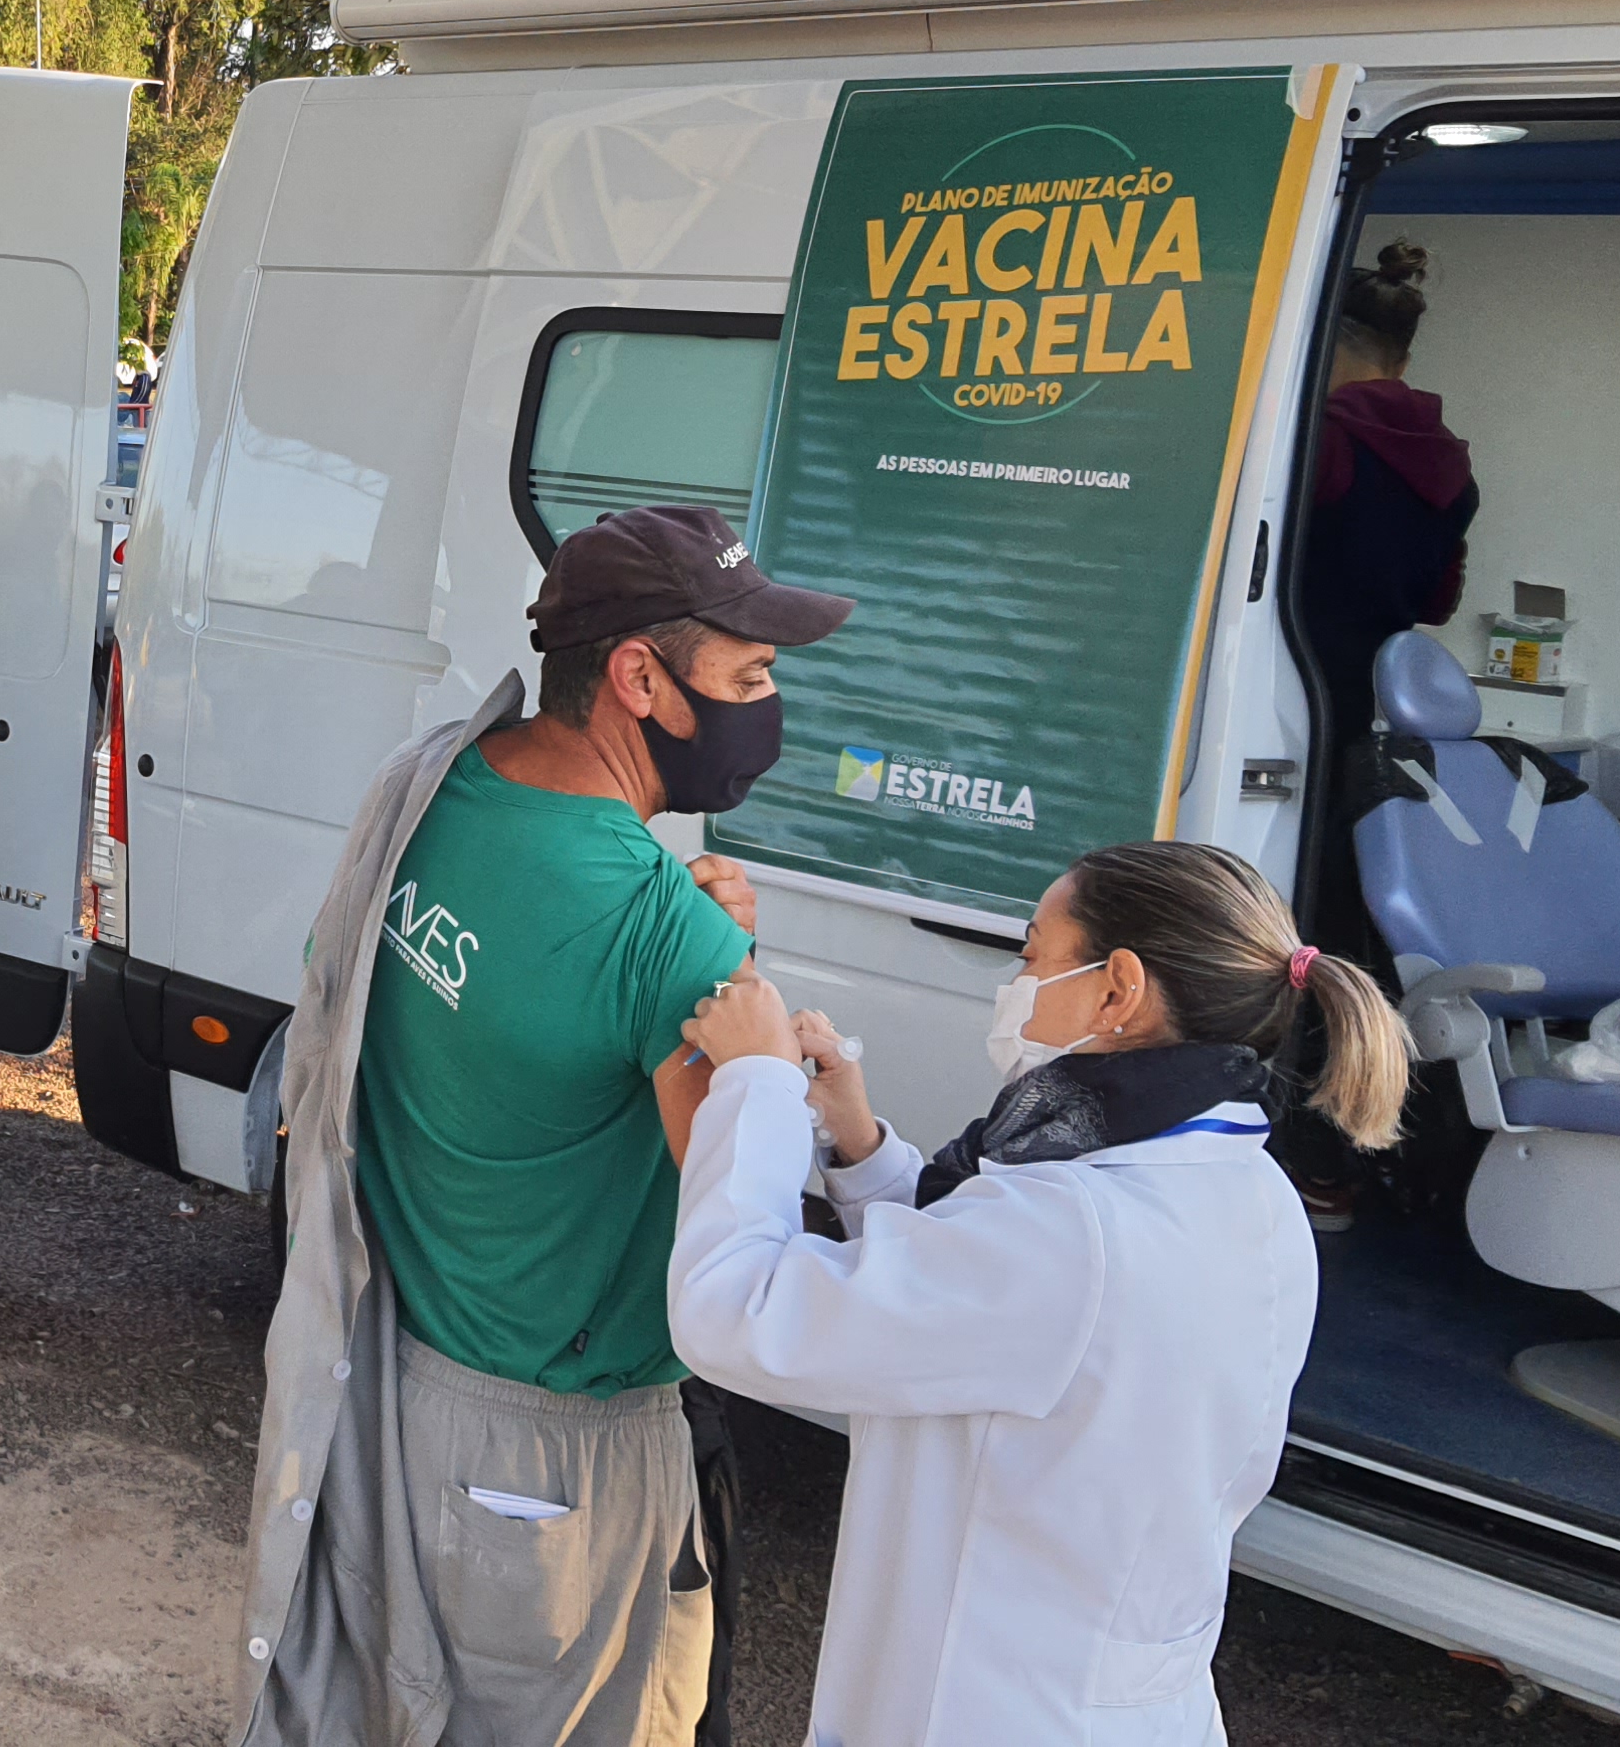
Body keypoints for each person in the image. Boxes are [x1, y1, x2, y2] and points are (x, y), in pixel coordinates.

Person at [235, 502, 853, 1747]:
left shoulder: (432, 790)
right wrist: (763, 1054)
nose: (769, 705)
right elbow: (743, 1268)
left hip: (388, 1374)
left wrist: (688, 946)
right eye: (749, 677)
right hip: (558, 1464)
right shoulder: (660, 929)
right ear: (639, 678)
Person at [665, 841, 1411, 1747]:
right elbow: (981, 1302)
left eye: (1031, 956)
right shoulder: (1249, 1192)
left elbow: (734, 1310)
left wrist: (757, 1081)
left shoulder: (1073, 1229)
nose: (1016, 984)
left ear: (1117, 990)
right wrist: (860, 1148)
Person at [1293, 242, 1475, 755]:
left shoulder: (1315, 443)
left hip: (1284, 687)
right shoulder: (1457, 472)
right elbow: (1437, 604)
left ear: (1321, 343)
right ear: (1404, 362)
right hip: (1371, 708)